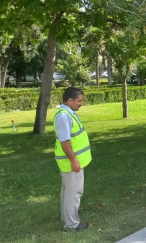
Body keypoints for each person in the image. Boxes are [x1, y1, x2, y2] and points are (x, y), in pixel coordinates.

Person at [53, 87, 92, 231]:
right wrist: (74, 160)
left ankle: (67, 218)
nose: (81, 103)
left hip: (71, 161)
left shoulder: (68, 113)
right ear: (70, 101)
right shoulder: (64, 116)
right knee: (74, 192)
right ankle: (72, 225)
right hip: (71, 162)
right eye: (79, 101)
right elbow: (65, 142)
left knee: (67, 190)